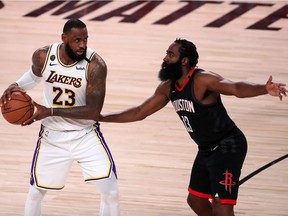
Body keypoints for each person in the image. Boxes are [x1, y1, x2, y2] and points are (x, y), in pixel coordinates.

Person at [100, 38, 287, 216]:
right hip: (206, 149)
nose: (165, 58)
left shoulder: (202, 80)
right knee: (196, 200)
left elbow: (236, 88)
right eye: (166, 53)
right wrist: (102, 118)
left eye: (170, 54)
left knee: (223, 206)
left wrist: (264, 89)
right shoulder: (167, 87)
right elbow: (140, 112)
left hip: (228, 146)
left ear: (184, 61)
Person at [0, 19, 119, 216]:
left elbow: (93, 111)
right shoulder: (43, 56)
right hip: (52, 136)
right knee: (36, 193)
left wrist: (50, 111)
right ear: (64, 38)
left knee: (111, 191)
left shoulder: (95, 65)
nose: (82, 45)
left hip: (85, 135)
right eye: (76, 40)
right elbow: (34, 75)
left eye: (85, 39)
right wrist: (16, 85)